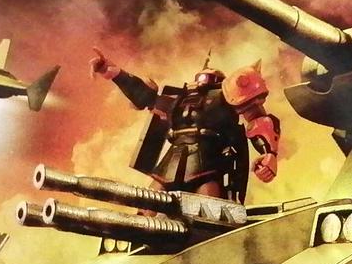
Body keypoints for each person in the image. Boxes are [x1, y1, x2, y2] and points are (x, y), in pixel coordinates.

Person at [90, 49, 280, 203]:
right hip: (171, 164)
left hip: (208, 164)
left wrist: (269, 154)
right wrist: (113, 72)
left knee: (210, 212)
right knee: (146, 208)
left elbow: (259, 121)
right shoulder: (178, 100)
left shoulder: (226, 94)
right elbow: (145, 96)